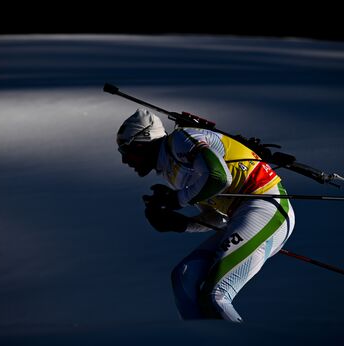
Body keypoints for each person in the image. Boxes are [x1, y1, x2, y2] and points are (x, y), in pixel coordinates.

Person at [116, 108, 295, 322]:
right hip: (243, 214)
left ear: (141, 142)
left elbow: (219, 177)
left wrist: (177, 200)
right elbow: (217, 219)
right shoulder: (172, 170)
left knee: (216, 295)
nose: (125, 161)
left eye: (125, 151)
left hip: (266, 206)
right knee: (183, 277)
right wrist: (182, 225)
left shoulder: (180, 140)